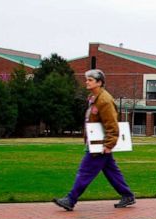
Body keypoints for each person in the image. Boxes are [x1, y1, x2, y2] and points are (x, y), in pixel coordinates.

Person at [53, 69, 135, 211]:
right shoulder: (93, 98)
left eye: (90, 80)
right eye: (87, 79)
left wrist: (109, 144)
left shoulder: (105, 100)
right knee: (111, 171)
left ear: (99, 82)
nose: (87, 82)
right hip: (95, 143)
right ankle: (127, 195)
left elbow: (112, 124)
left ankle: (70, 199)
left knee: (85, 171)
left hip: (100, 145)